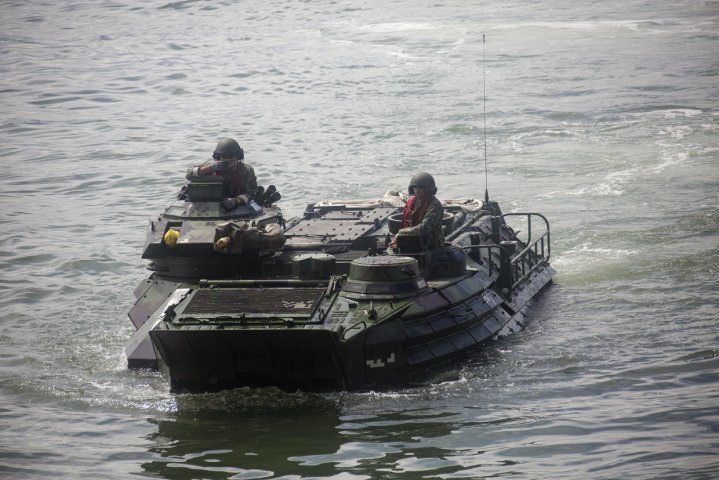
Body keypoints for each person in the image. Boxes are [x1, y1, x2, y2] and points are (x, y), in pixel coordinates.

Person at [186, 137, 257, 210]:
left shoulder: (246, 170)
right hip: (212, 205)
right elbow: (189, 175)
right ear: (218, 158)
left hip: (237, 205)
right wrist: (209, 168)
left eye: (231, 156)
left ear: (238, 156)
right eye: (224, 157)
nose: (228, 160)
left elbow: (251, 193)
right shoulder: (211, 166)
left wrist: (236, 200)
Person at [390, 171, 445, 250]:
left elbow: (423, 228)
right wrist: (401, 239)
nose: (417, 190)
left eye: (421, 187)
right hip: (414, 239)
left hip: (432, 243)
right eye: (415, 187)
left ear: (428, 189)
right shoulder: (412, 202)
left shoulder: (435, 205)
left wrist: (401, 233)